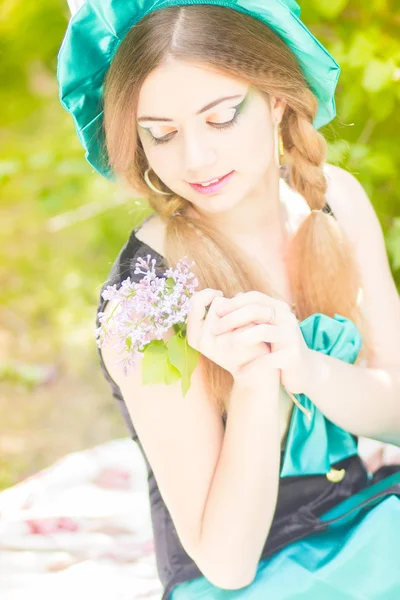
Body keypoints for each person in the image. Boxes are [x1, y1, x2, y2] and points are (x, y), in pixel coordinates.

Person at [57, 1, 400, 598]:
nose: (195, 159)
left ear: (275, 99)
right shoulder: (146, 301)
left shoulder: (334, 202)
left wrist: (307, 367)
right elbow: (227, 560)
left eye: (220, 118)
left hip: (362, 518)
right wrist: (255, 382)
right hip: (255, 576)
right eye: (160, 134)